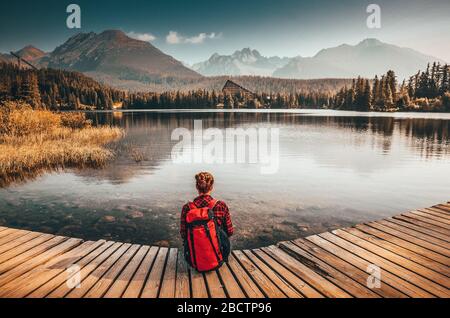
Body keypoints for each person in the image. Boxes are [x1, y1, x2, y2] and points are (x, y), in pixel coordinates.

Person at [180, 172, 233, 272]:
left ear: (197, 187)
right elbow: (230, 231)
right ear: (211, 187)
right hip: (219, 259)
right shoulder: (221, 205)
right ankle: (218, 256)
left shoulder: (187, 208)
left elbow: (183, 234)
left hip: (193, 260)